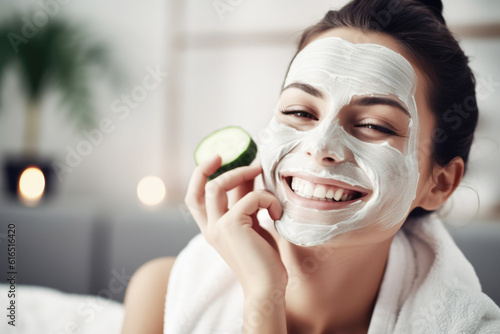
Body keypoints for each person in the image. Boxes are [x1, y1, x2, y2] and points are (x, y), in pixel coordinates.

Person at [121, 0, 500, 333]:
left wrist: (263, 304)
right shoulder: (162, 296)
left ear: (440, 184)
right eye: (299, 111)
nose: (320, 148)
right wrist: (262, 292)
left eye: (373, 125)